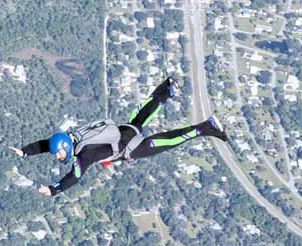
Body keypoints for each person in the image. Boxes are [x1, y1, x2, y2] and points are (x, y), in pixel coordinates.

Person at [19, 76, 229, 196]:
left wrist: (53, 189)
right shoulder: (74, 137)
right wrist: (25, 151)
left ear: (65, 148)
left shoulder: (85, 156)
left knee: (170, 140)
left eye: (58, 153)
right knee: (143, 113)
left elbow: (74, 177)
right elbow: (49, 144)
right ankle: (167, 88)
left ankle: (206, 127)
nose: (57, 156)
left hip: (131, 148)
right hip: (123, 131)